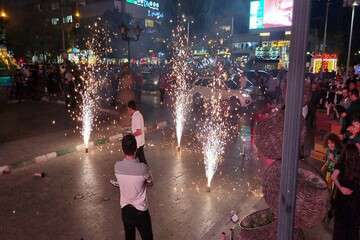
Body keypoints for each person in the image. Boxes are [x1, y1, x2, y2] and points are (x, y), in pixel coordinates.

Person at [114, 134, 153, 240]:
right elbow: (150, 183)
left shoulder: (117, 166)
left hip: (126, 211)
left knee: (129, 238)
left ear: (123, 149)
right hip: (141, 211)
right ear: (135, 149)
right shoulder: (143, 168)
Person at [331, 144, 360, 240]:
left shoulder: (341, 163)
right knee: (353, 225)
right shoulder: (358, 163)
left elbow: (333, 177)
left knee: (340, 224)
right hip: (355, 198)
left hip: (342, 198)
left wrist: (341, 188)